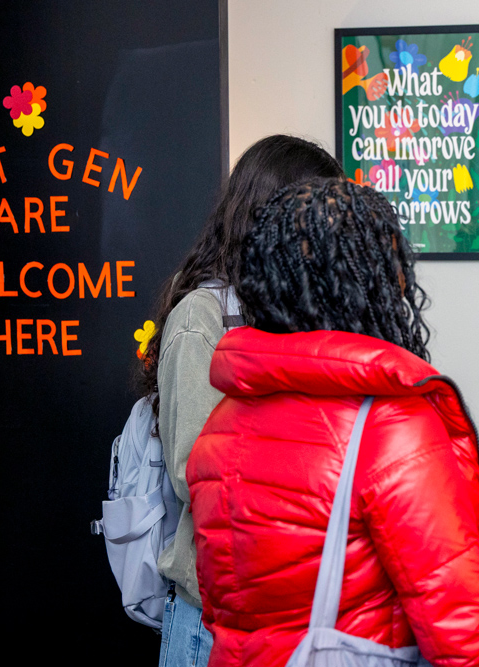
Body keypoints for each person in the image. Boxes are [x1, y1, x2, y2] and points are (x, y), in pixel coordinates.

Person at [186, 178, 479, 667]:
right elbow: (467, 639)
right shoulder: (389, 425)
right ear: (370, 282)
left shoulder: (222, 424)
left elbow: (225, 608)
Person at [135, 135, 344, 667]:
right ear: (271, 216)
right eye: (317, 213)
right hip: (214, 623)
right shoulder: (200, 320)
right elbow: (194, 474)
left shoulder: (297, 310)